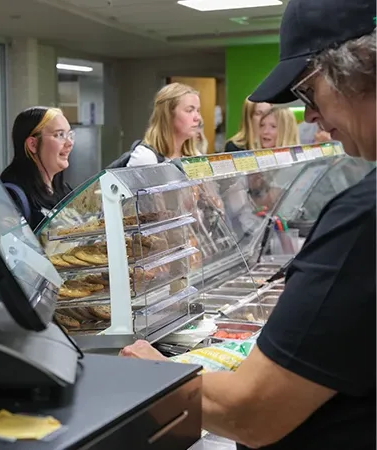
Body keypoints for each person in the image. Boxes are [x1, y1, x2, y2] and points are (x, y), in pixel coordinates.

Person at [121, 0, 376, 449]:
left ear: (359, 71)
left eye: (306, 93)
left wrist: (151, 372)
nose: (309, 115)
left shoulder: (365, 220)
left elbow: (249, 410)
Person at [0, 107, 74, 230]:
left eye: (70, 135)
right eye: (60, 135)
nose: (69, 143)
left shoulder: (64, 190)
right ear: (33, 145)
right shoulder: (12, 197)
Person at [115, 83, 201, 167]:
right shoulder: (146, 158)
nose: (198, 118)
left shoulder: (196, 155)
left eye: (198, 111)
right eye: (189, 110)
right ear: (168, 115)